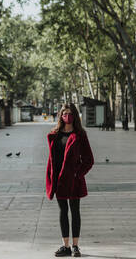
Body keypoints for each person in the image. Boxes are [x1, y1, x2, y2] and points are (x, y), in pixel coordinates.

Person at [46, 103, 94, 257]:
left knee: (75, 211)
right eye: (65, 113)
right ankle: (65, 246)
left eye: (70, 113)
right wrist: (50, 176)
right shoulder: (55, 134)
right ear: (60, 115)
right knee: (63, 211)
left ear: (75, 115)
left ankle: (75, 246)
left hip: (73, 179)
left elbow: (89, 159)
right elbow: (51, 160)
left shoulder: (80, 134)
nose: (67, 116)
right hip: (59, 179)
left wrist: (78, 174)